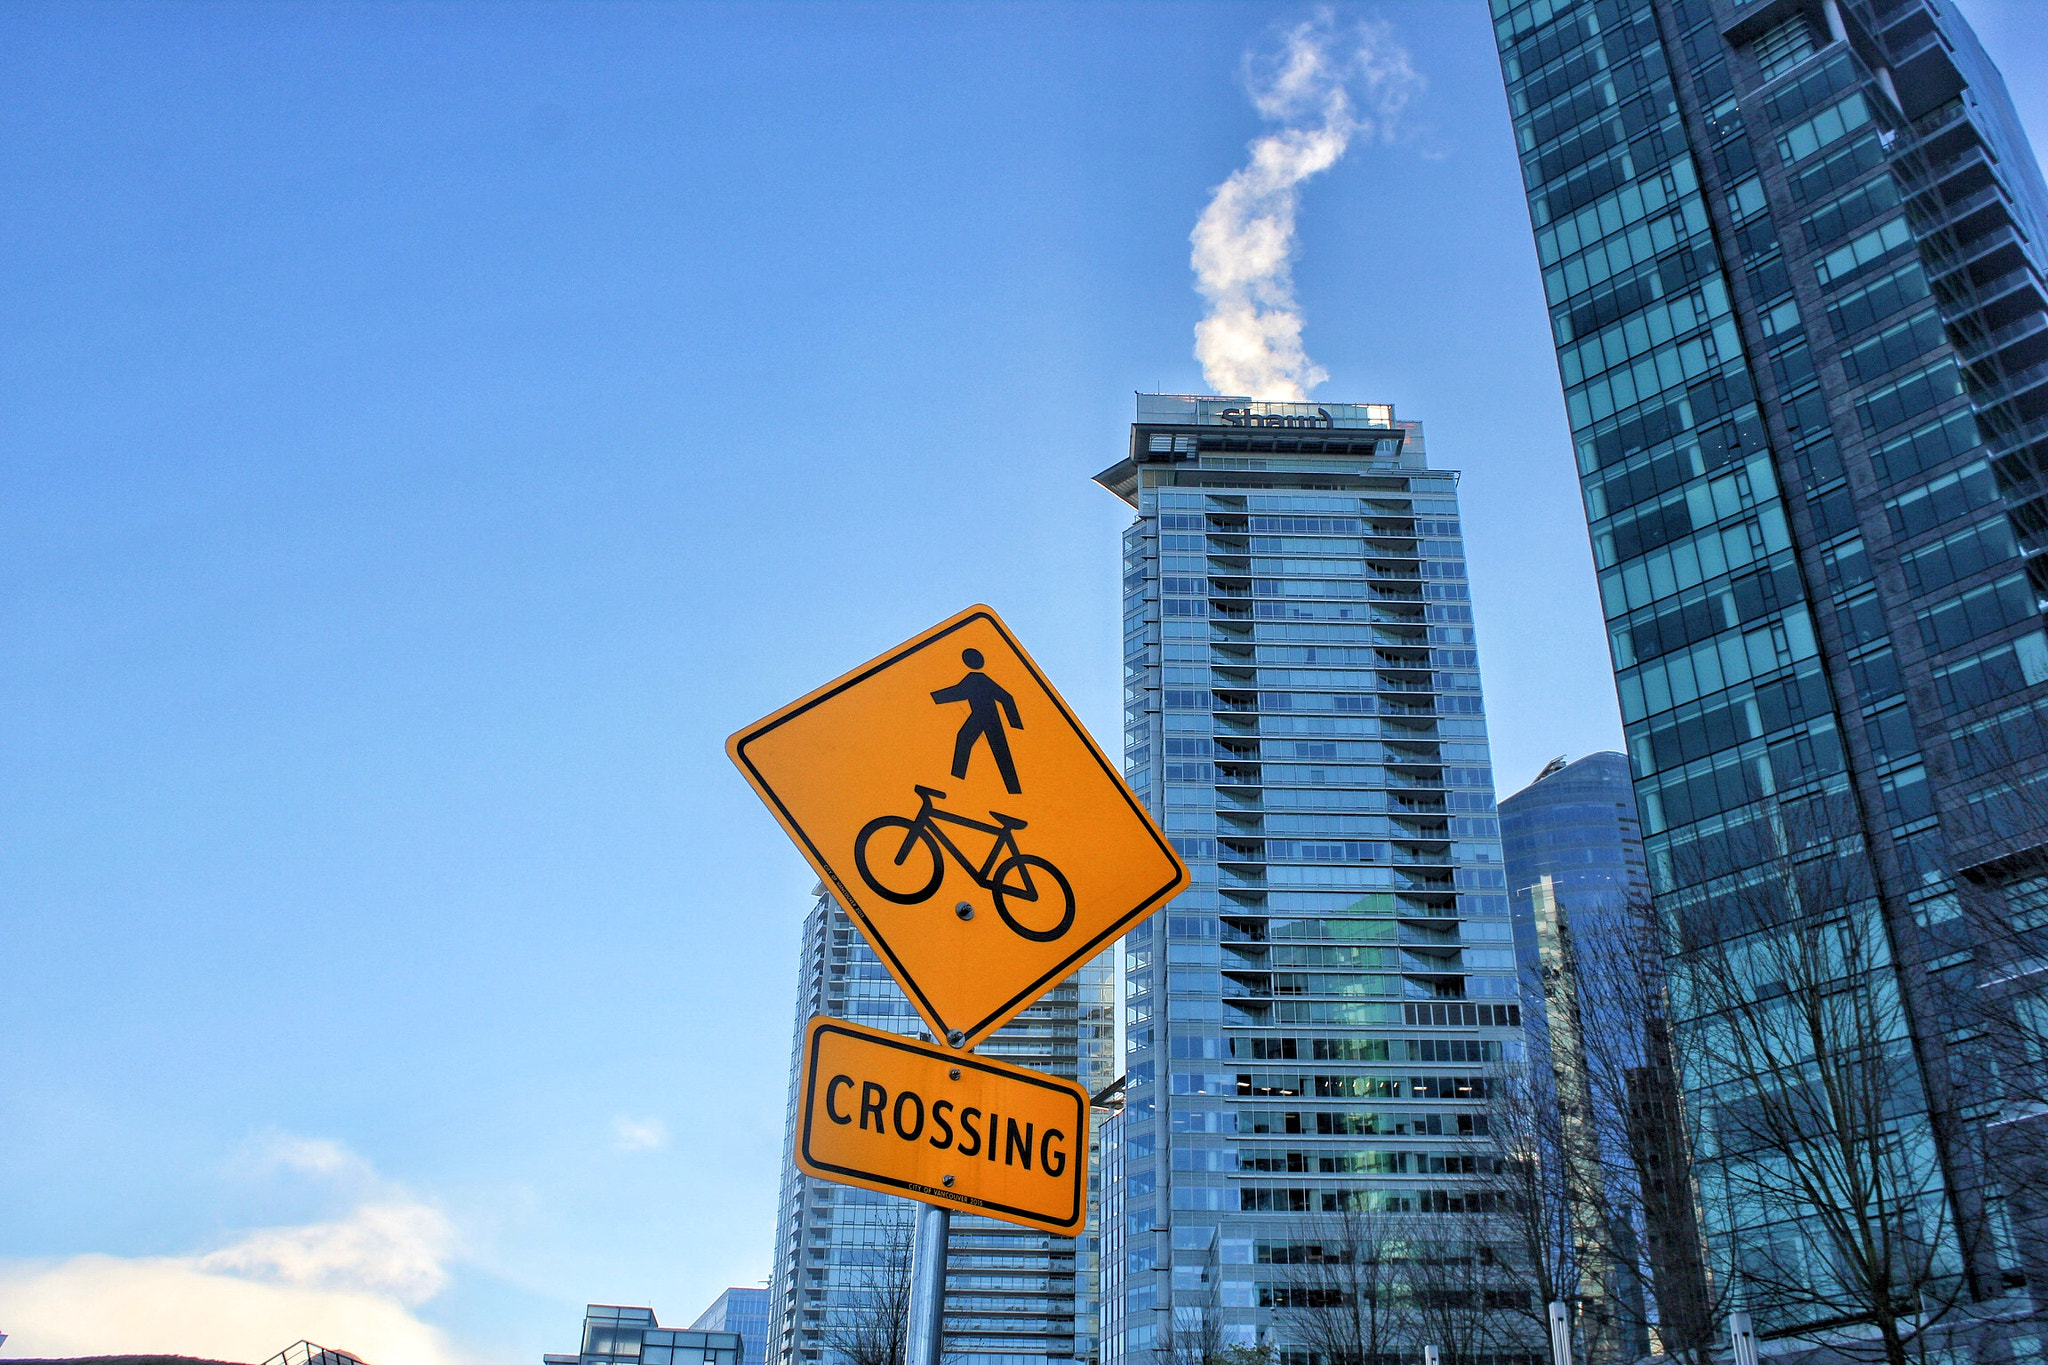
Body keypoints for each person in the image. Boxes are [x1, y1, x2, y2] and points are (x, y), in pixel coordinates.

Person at [930, 648, 1023, 794]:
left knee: (999, 751)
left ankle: (1014, 789)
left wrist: (1016, 724)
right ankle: (957, 778)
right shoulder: (976, 679)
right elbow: (960, 691)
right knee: (968, 741)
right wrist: (935, 697)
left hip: (988, 717)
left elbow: (1006, 698)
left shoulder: (978, 679)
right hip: (982, 716)